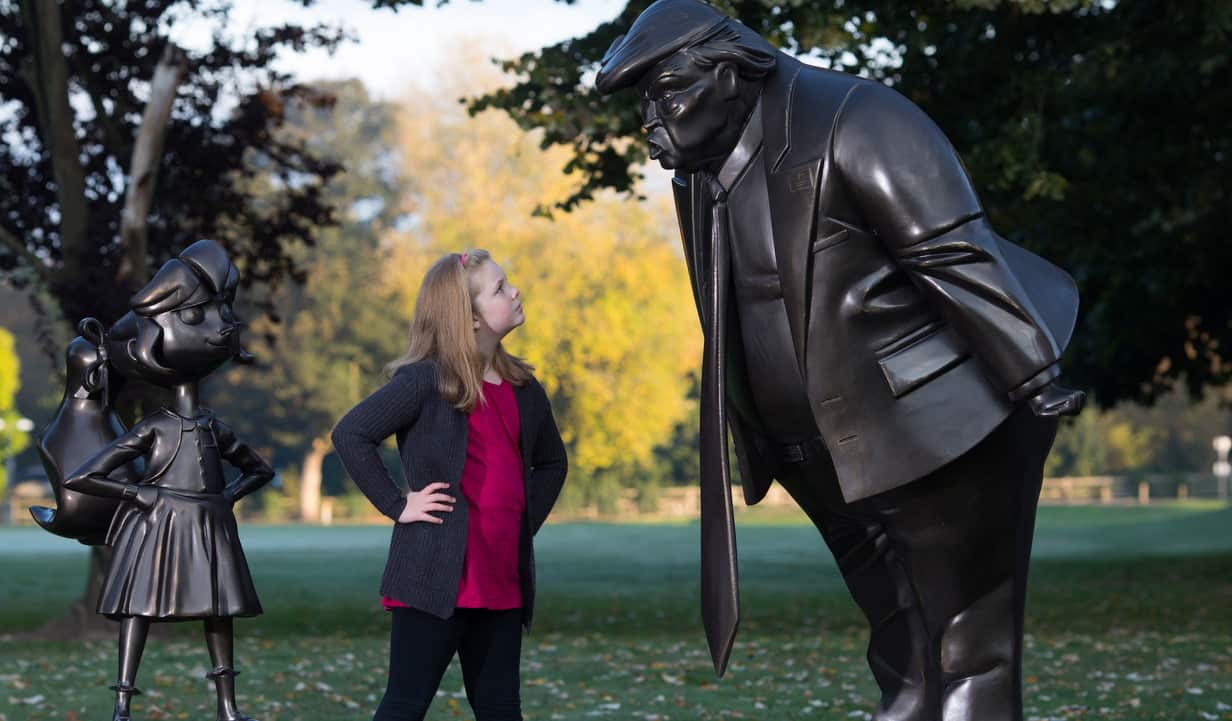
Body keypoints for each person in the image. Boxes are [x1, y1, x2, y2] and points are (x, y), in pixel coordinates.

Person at [594, 2, 1086, 720]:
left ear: (730, 75)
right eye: (644, 101)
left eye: (668, 91)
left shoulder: (857, 119)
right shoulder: (696, 175)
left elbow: (950, 251)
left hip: (939, 431)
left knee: (966, 650)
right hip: (822, 457)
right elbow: (729, 307)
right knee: (906, 654)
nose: (652, 120)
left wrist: (1032, 373)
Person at [332, 249, 567, 721]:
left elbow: (552, 464)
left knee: (502, 709)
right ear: (471, 317)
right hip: (430, 580)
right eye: (500, 288)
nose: (515, 290)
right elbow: (351, 434)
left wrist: (522, 524)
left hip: (501, 584)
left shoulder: (524, 388)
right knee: (405, 705)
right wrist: (397, 504)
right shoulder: (423, 382)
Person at [56, 239, 273, 721]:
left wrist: (227, 498)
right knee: (141, 607)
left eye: (219, 312)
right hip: (158, 524)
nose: (221, 328)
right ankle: (122, 703)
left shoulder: (212, 426)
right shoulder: (154, 427)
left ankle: (226, 706)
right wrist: (141, 492)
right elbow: (87, 474)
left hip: (207, 523)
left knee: (219, 607)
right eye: (196, 316)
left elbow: (259, 469)